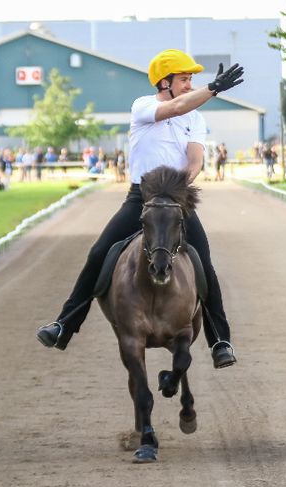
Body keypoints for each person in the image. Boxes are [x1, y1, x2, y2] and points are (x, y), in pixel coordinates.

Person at [36, 49, 244, 369]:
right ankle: (65, 324)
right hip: (140, 198)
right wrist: (214, 88)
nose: (190, 84)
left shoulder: (197, 118)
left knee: (204, 262)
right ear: (164, 81)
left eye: (192, 79)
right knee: (98, 253)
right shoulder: (144, 106)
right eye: (184, 78)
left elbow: (195, 161)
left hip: (176, 198)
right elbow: (175, 106)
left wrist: (177, 189)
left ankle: (220, 340)